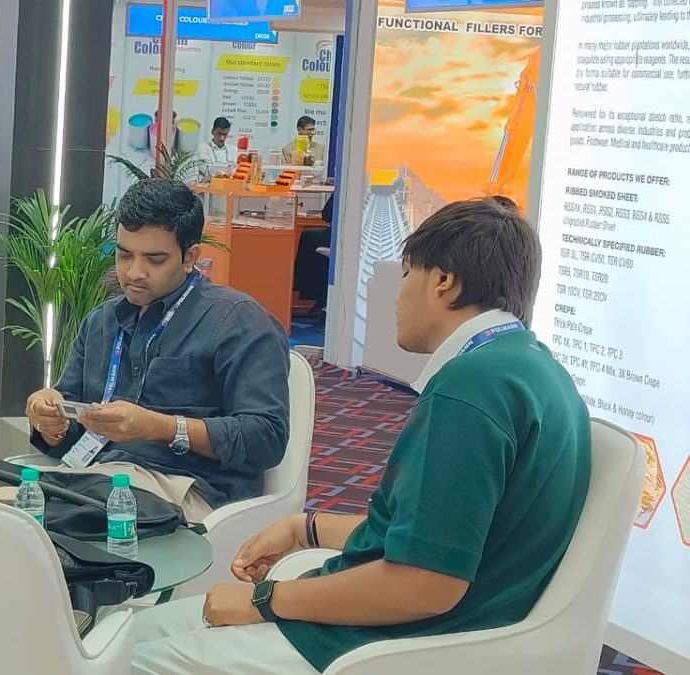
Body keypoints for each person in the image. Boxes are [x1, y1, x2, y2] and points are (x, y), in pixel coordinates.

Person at [130, 198, 591, 674]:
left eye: (406, 274)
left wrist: (263, 600)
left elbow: (425, 584)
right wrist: (306, 527)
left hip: (384, 644)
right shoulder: (534, 370)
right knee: (138, 633)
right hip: (430, 626)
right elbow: (438, 536)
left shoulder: (469, 390)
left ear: (443, 282)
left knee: (127, 658)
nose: (396, 296)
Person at [25, 179, 290, 522]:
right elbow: (71, 430)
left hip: (187, 488)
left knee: (48, 527)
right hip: (97, 476)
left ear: (189, 257)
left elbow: (265, 438)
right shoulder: (103, 321)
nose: (134, 272)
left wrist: (159, 427)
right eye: (124, 255)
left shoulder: (237, 321)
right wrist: (50, 422)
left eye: (155, 259)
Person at [293, 194, 334, 315]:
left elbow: (327, 215)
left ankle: (306, 289)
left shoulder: (345, 190)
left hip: (341, 237)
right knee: (310, 236)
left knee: (308, 237)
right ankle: (319, 297)